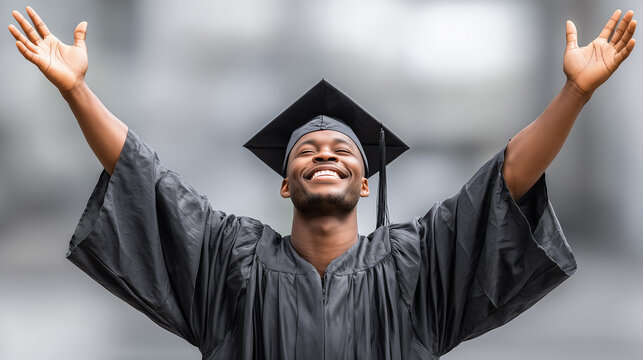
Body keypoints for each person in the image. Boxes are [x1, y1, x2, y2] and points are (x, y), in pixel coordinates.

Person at [8, 5, 636, 360]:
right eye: (306, 150)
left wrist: (575, 93)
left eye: (344, 150)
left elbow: (503, 183)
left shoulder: (415, 270)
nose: (325, 154)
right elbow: (145, 180)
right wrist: (77, 90)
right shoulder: (232, 263)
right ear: (286, 186)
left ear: (367, 185)